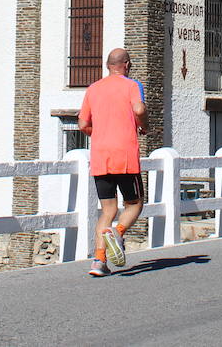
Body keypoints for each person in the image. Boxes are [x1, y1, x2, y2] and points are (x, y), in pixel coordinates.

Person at [78, 48, 147, 277]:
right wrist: (144, 125)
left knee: (107, 210)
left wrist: (99, 135)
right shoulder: (132, 85)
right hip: (124, 155)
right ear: (126, 65)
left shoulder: (93, 89)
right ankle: (117, 233)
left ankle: (98, 261)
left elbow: (82, 124)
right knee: (135, 203)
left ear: (108, 65)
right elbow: (138, 108)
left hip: (100, 155)